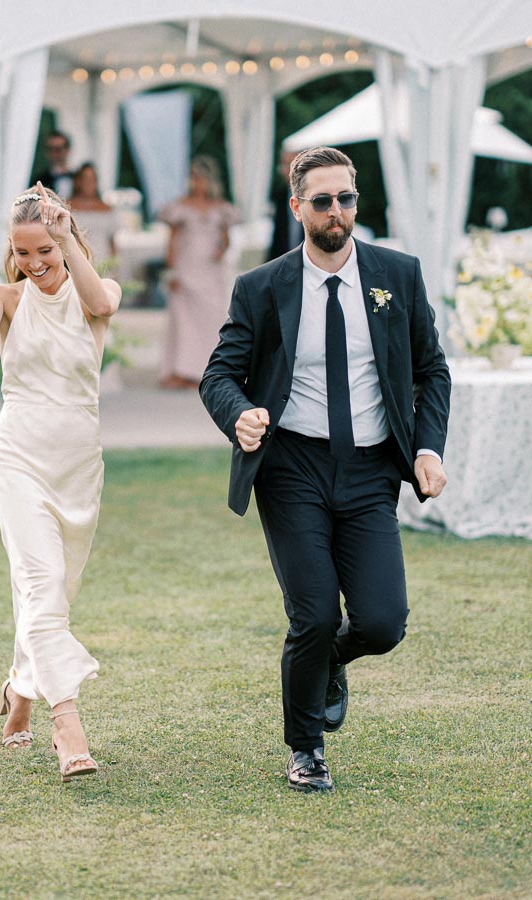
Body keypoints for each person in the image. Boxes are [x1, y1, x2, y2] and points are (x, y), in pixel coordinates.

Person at [200, 147, 451, 793]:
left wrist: (427, 449)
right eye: (322, 201)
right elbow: (220, 374)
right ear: (297, 208)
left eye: (346, 198)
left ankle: (326, 665)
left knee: (381, 623)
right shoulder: (263, 287)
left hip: (370, 469)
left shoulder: (398, 273)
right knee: (311, 615)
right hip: (292, 467)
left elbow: (432, 371)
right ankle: (305, 748)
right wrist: (240, 416)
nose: (336, 211)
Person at [0, 181, 121, 782]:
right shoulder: (8, 300)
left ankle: (20, 693)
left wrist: (67, 233)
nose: (36, 263)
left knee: (52, 592)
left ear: (66, 243)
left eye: (45, 250)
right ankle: (67, 726)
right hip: (17, 459)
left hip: (78, 468)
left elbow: (99, 304)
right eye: (24, 254)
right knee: (40, 581)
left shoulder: (97, 294)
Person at [157, 156, 238, 389]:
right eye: (194, 178)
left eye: (200, 178)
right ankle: (182, 371)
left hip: (210, 272)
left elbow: (226, 239)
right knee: (183, 322)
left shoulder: (221, 208)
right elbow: (172, 240)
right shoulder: (180, 207)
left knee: (211, 321)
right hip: (186, 269)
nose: (197, 183)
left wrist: (221, 249)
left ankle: (208, 369)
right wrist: (171, 272)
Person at [68, 162, 119, 260]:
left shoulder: (106, 208)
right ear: (78, 182)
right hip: (78, 260)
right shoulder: (68, 206)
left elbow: (111, 241)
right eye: (86, 179)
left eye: (92, 179)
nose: (89, 183)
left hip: (103, 261)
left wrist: (114, 263)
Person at [266, 149, 303, 261]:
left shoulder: (315, 195)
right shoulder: (279, 196)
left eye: (293, 164)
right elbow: (277, 237)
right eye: (285, 164)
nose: (289, 169)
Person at [30, 130, 74, 199]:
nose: (54, 154)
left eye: (58, 149)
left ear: (67, 150)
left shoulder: (78, 178)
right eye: (50, 149)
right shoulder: (39, 181)